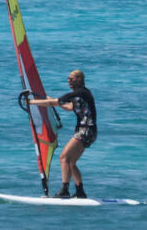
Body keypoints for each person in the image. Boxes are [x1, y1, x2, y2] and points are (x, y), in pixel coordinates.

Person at [25, 70, 96, 199]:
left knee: (63, 157)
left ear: (79, 80)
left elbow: (55, 103)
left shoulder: (81, 92)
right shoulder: (79, 95)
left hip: (86, 130)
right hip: (88, 131)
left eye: (72, 78)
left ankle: (65, 190)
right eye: (68, 78)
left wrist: (31, 103)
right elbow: (69, 107)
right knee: (71, 162)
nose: (69, 80)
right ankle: (80, 192)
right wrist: (52, 100)